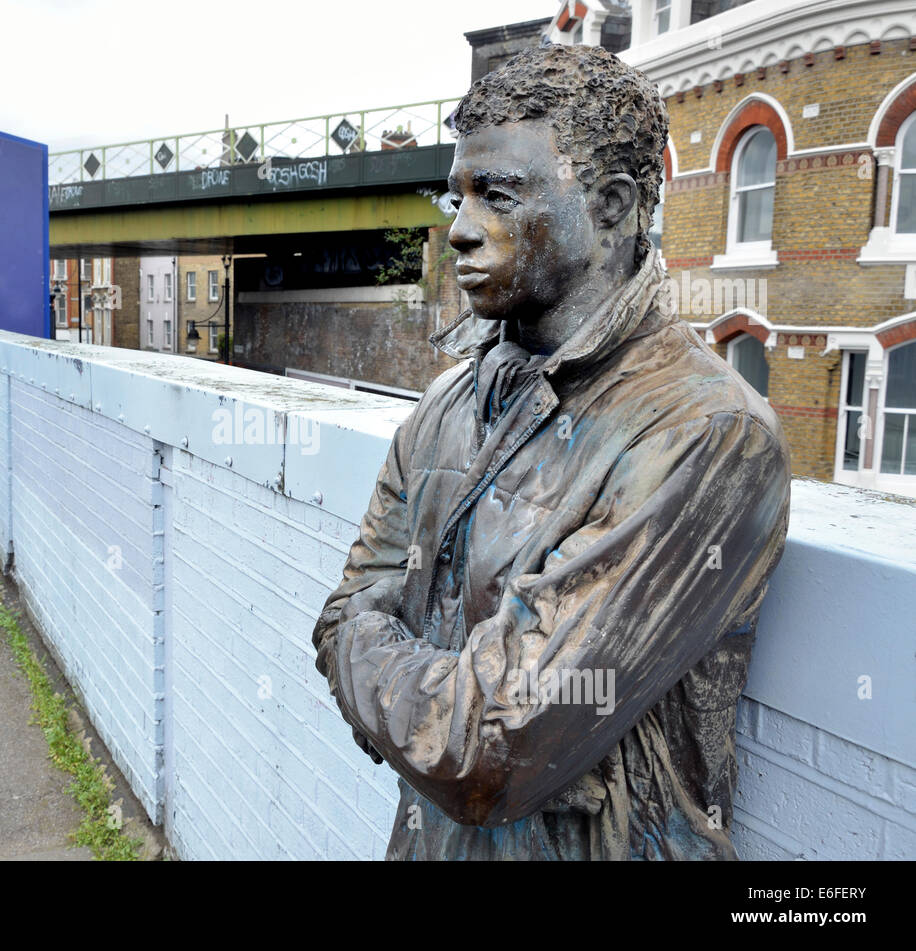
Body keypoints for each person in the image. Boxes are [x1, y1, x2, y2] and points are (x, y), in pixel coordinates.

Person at [311, 44, 791, 861]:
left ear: (610, 205)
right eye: (456, 195)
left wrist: (388, 677)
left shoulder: (704, 434)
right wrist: (422, 692)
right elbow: (339, 615)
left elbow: (483, 751)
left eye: (497, 196)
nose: (459, 230)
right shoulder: (447, 404)